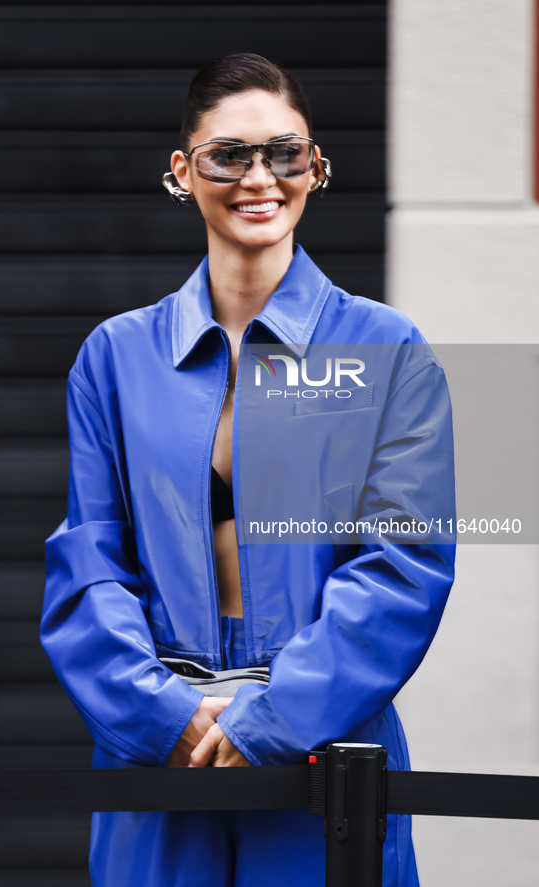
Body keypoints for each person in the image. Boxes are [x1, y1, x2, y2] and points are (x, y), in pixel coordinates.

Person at [41, 53, 455, 887]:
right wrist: (163, 716)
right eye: (229, 154)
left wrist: (277, 717)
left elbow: (405, 566)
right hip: (163, 755)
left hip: (327, 752)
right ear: (182, 173)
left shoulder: (389, 348)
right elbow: (88, 561)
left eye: (285, 153)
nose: (259, 177)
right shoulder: (114, 356)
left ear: (316, 168)